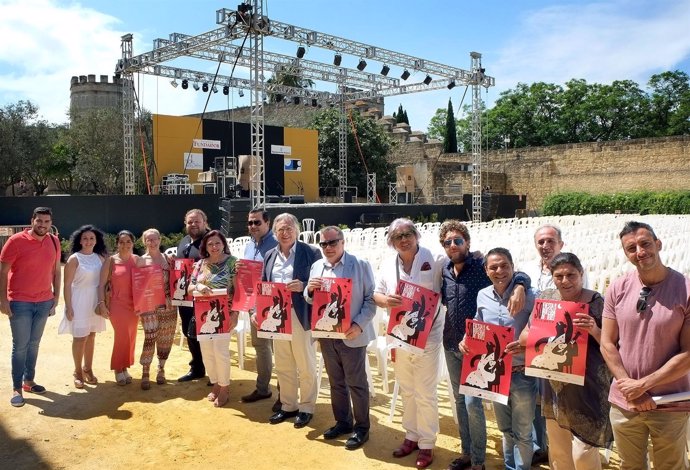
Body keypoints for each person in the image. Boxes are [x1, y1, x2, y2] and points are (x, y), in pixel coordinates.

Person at [439, 220, 529, 470]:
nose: (453, 245)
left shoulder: (482, 266)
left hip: (480, 350)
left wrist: (520, 285)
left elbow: (515, 272)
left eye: (458, 240)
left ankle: (479, 460)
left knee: (473, 403)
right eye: (448, 242)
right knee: (460, 401)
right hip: (453, 344)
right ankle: (467, 452)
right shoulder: (444, 269)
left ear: (467, 242)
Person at [601, 221, 690, 470]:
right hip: (625, 402)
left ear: (658, 244)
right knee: (630, 466)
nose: (639, 252)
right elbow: (607, 343)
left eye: (645, 244)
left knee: (670, 466)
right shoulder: (618, 288)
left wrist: (643, 386)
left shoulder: (685, 289)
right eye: (631, 248)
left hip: (671, 401)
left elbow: (688, 353)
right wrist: (630, 389)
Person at [519, 252, 613, 469]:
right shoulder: (547, 299)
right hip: (554, 385)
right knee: (559, 451)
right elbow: (525, 335)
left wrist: (594, 329)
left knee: (583, 451)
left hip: (587, 387)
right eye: (559, 276)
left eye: (571, 275)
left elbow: (611, 344)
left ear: (581, 274)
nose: (565, 281)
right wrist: (546, 336)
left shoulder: (596, 302)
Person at [373, 218, 444, 469]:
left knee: (425, 391)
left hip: (428, 335)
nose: (403, 239)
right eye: (397, 236)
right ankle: (411, 435)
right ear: (391, 242)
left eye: (407, 234)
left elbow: (457, 270)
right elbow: (376, 293)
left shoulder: (434, 258)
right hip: (400, 334)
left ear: (416, 235)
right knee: (407, 388)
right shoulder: (387, 263)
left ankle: (427, 443)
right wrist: (385, 300)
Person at [461, 248, 537, 470]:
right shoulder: (483, 294)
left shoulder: (530, 295)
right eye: (493, 267)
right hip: (497, 376)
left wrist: (526, 341)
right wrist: (467, 339)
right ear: (486, 270)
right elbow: (478, 322)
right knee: (506, 430)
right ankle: (509, 466)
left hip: (522, 373)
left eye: (504, 265)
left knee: (523, 432)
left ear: (514, 267)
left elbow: (542, 330)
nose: (499, 271)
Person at [305, 226, 376, 450]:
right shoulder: (317, 266)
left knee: (356, 383)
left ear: (343, 242)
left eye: (332, 243)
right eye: (324, 244)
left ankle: (362, 427)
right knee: (336, 382)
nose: (328, 248)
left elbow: (370, 300)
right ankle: (343, 422)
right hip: (327, 335)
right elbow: (310, 300)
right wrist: (309, 290)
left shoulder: (360, 265)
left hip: (351, 334)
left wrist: (358, 325)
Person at [259, 213, 321, 428]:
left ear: (296, 230)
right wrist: (260, 312)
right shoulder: (269, 255)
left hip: (300, 313)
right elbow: (264, 284)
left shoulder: (311, 252)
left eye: (289, 229)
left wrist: (304, 285)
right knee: (283, 363)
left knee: (305, 363)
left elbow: (322, 282)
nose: (285, 233)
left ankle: (306, 407)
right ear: (274, 233)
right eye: (280, 229)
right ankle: (288, 405)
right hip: (277, 315)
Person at [0, 207, 61, 407]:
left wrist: (56, 296)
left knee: (34, 344)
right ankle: (17, 388)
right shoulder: (15, 241)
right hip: (20, 302)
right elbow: (3, 272)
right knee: (21, 346)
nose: (43, 225)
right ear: (32, 220)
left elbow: (56, 272)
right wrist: (3, 300)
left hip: (44, 301)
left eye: (46, 222)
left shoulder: (54, 241)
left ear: (50, 223)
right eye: (39, 221)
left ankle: (29, 381)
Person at [188, 230, 238, 408]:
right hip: (203, 314)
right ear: (205, 247)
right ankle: (215, 382)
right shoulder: (201, 264)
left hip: (225, 313)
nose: (214, 247)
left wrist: (235, 313)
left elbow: (239, 290)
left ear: (223, 244)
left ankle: (224, 387)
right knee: (207, 351)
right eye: (210, 244)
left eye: (217, 243)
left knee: (221, 351)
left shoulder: (233, 262)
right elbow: (189, 286)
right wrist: (199, 285)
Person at [239, 208, 279, 410]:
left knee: (281, 349)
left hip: (273, 305)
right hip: (253, 305)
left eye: (257, 222)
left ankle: (285, 393)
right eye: (250, 223)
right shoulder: (249, 246)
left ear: (267, 223)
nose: (253, 226)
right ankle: (263, 388)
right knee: (260, 346)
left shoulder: (277, 244)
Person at [59, 225, 108, 389]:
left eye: (91, 238)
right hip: (79, 301)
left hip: (94, 301)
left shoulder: (99, 258)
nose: (88, 241)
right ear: (80, 240)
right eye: (85, 238)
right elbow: (66, 285)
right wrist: (68, 306)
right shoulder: (74, 259)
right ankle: (78, 371)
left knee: (92, 335)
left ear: (96, 240)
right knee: (80, 338)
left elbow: (104, 282)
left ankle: (88, 368)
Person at [97, 230, 140, 386]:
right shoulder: (111, 261)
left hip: (134, 306)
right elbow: (101, 284)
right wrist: (101, 304)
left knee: (131, 336)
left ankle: (125, 367)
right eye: (122, 242)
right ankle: (117, 368)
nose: (125, 244)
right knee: (122, 336)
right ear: (117, 244)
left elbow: (149, 276)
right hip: (117, 304)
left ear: (133, 243)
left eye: (128, 241)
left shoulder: (137, 260)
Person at [136, 229, 178, 390]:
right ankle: (145, 370)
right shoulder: (140, 261)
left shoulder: (168, 259)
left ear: (160, 240)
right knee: (150, 336)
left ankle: (161, 368)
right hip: (148, 305)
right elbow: (137, 286)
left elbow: (176, 282)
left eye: (155, 239)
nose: (152, 243)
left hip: (168, 304)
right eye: (148, 240)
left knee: (166, 337)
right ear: (144, 242)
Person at [176, 209, 210, 383]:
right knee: (189, 332)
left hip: (204, 296)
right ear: (185, 223)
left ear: (204, 222)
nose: (193, 225)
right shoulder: (184, 241)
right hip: (185, 296)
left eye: (197, 221)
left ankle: (212, 370)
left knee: (206, 333)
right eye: (190, 222)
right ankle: (197, 367)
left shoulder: (211, 240)